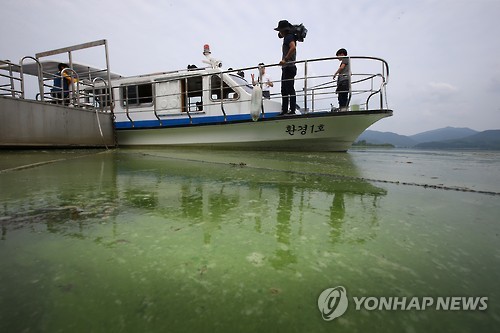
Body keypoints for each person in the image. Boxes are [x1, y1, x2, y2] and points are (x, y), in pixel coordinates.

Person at [274, 20, 297, 115]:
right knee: (284, 89)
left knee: (288, 89)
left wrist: (285, 59)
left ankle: (291, 110)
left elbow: (293, 47)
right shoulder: (288, 37)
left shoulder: (289, 37)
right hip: (287, 67)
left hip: (289, 66)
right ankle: (285, 110)